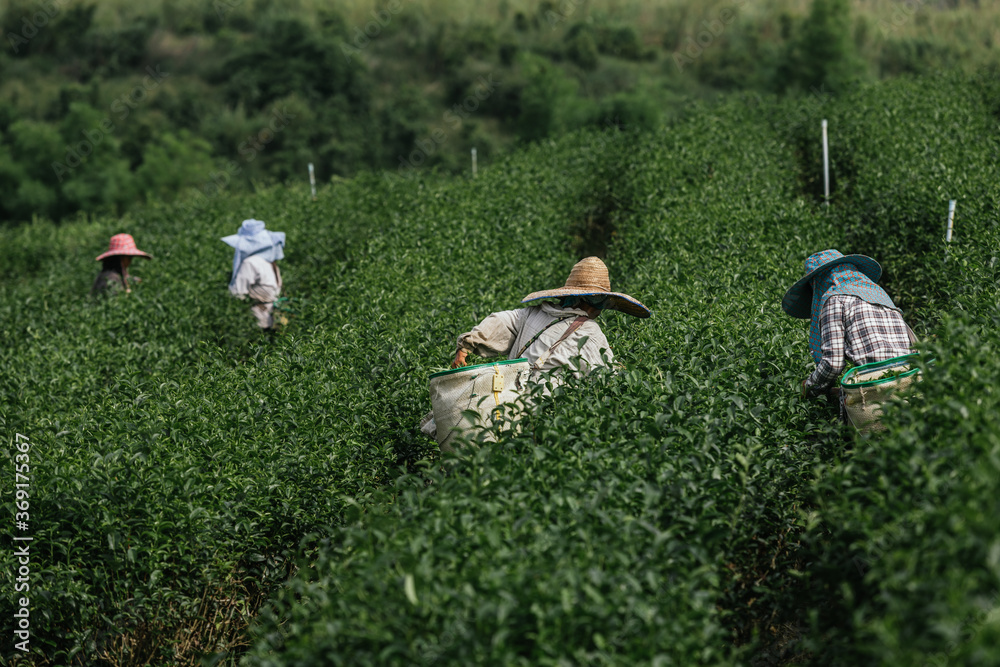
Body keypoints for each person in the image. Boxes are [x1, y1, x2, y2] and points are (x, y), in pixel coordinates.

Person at [421, 256, 650, 439]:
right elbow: (607, 379)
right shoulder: (590, 333)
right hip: (539, 417)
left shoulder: (534, 313)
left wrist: (467, 344)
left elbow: (500, 321)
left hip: (504, 399)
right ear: (593, 301)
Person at [781, 249, 915, 400]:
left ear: (819, 281)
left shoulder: (834, 299)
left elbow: (833, 364)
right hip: (910, 379)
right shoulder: (879, 293)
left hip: (878, 385)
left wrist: (810, 387)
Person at [222, 219, 286, 330]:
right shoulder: (270, 262)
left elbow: (237, 293)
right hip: (275, 316)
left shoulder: (250, 263)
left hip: (257, 320)